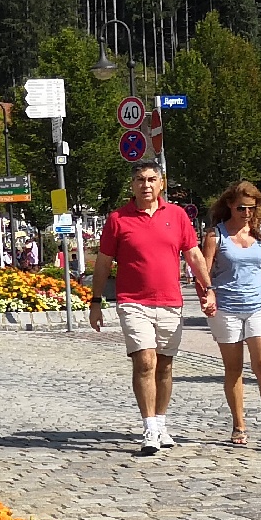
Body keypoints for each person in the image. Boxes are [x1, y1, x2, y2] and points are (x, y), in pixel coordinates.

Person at [89, 163, 214, 455]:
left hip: (170, 302)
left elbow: (194, 254)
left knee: (165, 365)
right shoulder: (118, 219)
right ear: (132, 185)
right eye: (139, 180)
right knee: (145, 362)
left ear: (161, 183)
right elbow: (104, 263)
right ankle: (149, 428)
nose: (145, 185)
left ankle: (161, 423)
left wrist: (208, 288)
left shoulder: (178, 216)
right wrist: (95, 301)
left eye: (151, 180)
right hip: (133, 301)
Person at [201, 182, 261, 450]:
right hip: (227, 307)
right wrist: (208, 295)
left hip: (260, 306)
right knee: (234, 369)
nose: (245, 213)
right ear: (230, 205)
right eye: (241, 207)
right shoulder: (215, 236)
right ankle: (238, 424)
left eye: (250, 208)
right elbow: (204, 273)